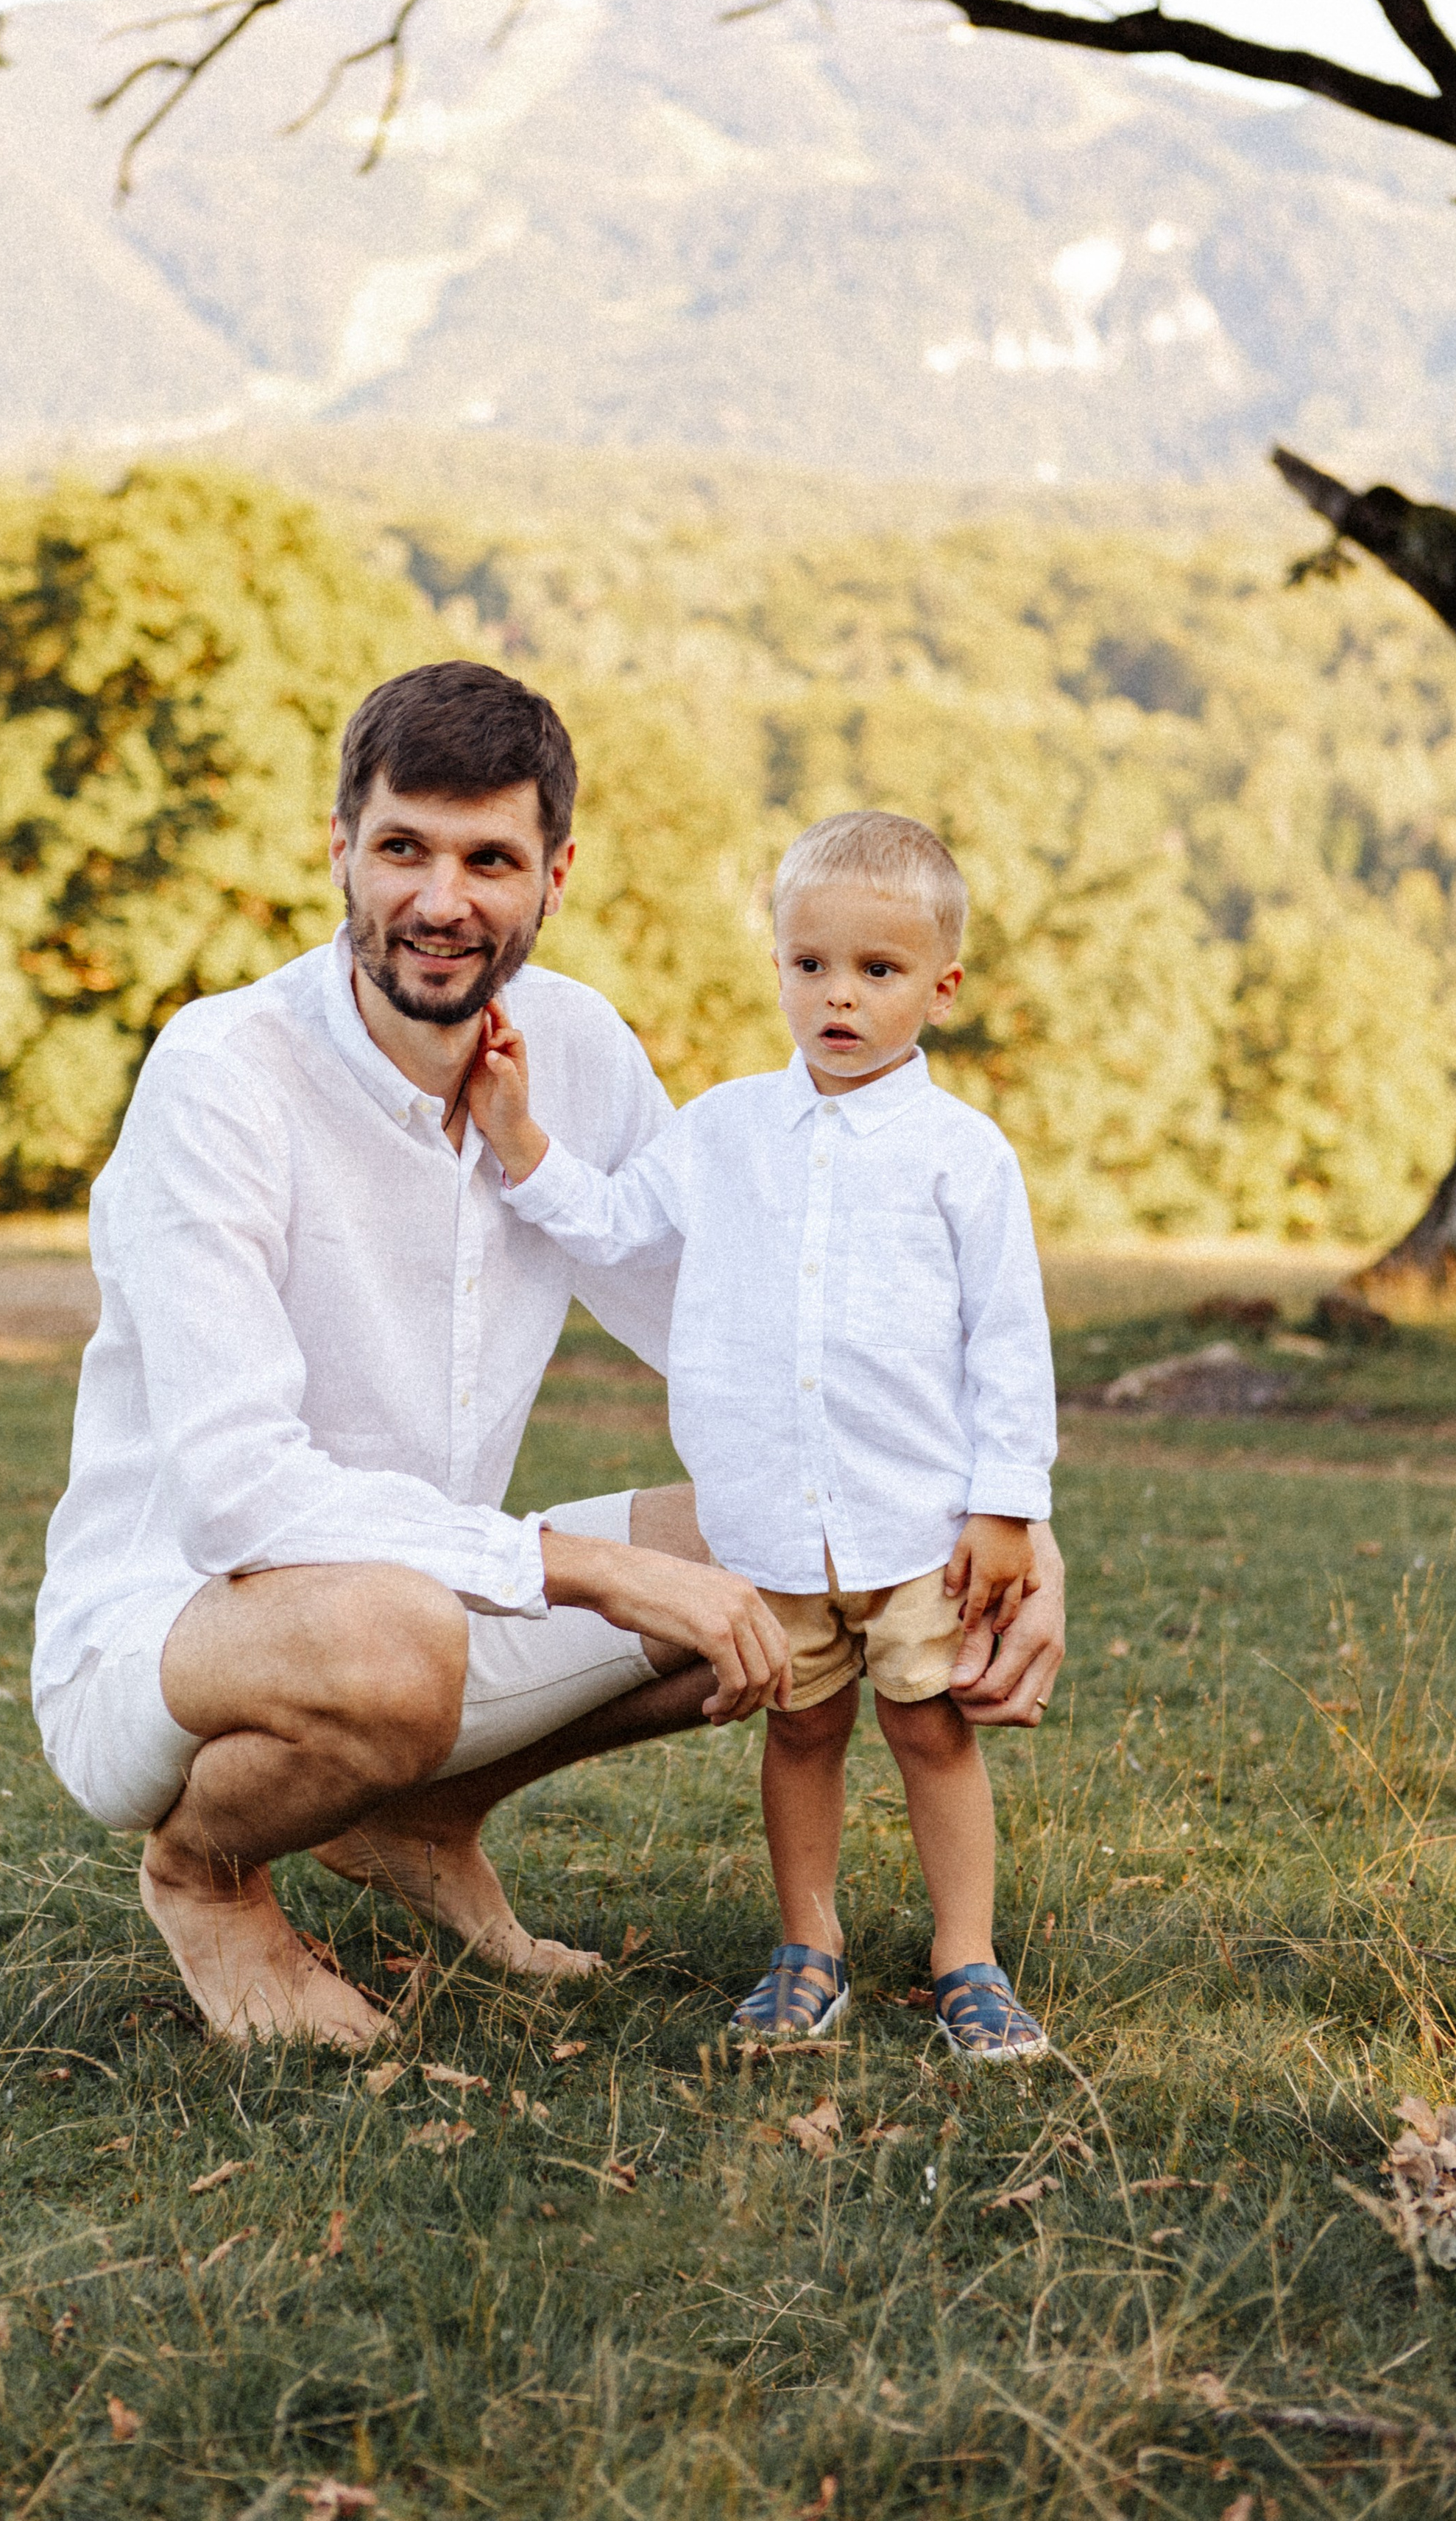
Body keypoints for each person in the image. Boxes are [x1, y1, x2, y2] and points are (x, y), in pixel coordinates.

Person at [34, 665, 1067, 2048]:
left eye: (489, 859)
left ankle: (417, 1813)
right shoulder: (221, 1073)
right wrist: (588, 1566)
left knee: (795, 1528)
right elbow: (238, 1497)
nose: (441, 899)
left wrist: (993, 1524)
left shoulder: (569, 1045)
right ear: (340, 848)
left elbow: (742, 1320)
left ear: (554, 874)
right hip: (176, 1635)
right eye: (403, 848)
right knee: (392, 1629)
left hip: (424, 1610)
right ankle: (207, 1874)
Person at [469, 808, 1059, 2060]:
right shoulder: (728, 1130)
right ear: (781, 964)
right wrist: (520, 1138)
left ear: (940, 987)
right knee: (800, 1729)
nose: (838, 997)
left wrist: (1007, 1506)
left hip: (914, 1526)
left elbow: (1008, 1344)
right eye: (811, 966)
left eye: (878, 972)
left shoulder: (964, 1157)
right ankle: (809, 1948)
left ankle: (969, 1956)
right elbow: (623, 1223)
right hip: (773, 1518)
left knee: (931, 1729)